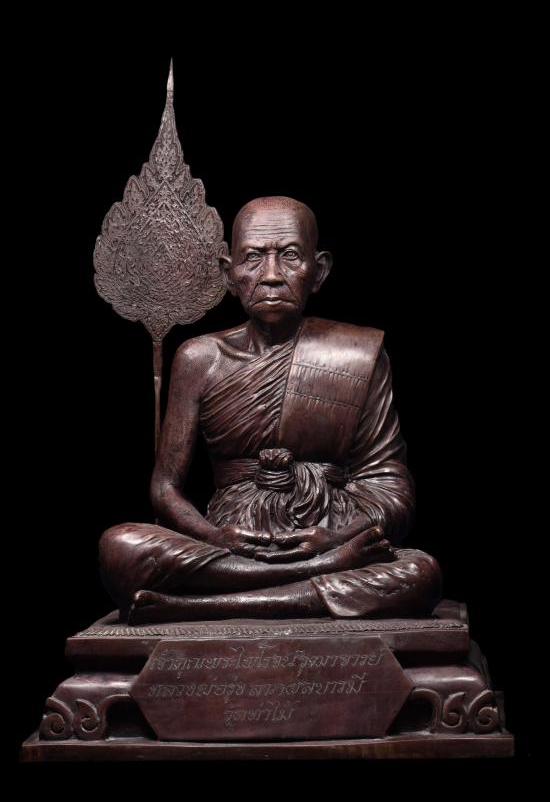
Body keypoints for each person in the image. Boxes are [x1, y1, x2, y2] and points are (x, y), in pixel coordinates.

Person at [99, 196, 442, 624]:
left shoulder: (356, 354)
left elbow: (392, 488)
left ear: (319, 271)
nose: (272, 275)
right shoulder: (199, 358)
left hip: (329, 535)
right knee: (121, 546)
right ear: (229, 274)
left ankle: (197, 607)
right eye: (253, 258)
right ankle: (311, 577)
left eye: (291, 256)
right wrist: (216, 536)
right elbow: (165, 488)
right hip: (233, 545)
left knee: (421, 572)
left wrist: (336, 537)